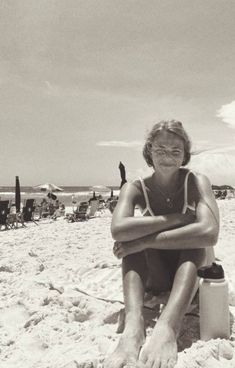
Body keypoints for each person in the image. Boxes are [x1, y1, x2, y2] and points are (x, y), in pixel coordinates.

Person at [104, 120, 219, 368]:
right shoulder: (135, 188)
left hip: (191, 273)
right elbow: (118, 229)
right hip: (154, 277)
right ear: (149, 152)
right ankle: (134, 326)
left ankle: (168, 327)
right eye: (160, 150)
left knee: (193, 240)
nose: (167, 156)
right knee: (129, 238)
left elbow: (209, 233)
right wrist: (176, 218)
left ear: (185, 155)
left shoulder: (197, 182)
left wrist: (143, 241)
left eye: (175, 151)